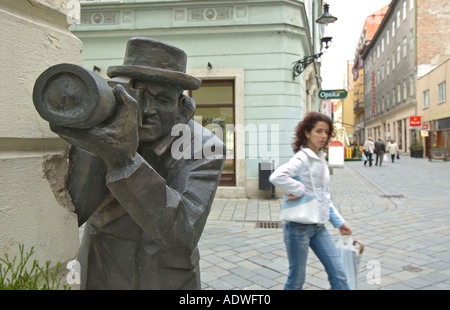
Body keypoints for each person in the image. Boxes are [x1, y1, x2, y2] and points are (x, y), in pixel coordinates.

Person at [50, 37, 226, 289]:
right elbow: (75, 211)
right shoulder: (105, 129)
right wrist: (91, 140)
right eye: (137, 95)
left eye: (162, 99)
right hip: (103, 270)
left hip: (166, 278)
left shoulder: (204, 146)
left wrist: (124, 161)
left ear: (181, 105)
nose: (146, 109)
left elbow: (183, 236)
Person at [269, 112, 352, 290]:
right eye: (319, 131)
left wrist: (339, 222)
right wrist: (300, 190)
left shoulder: (320, 158)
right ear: (307, 133)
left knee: (339, 274)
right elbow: (277, 176)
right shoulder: (302, 157)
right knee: (297, 279)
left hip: (319, 227)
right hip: (298, 227)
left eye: (326, 132)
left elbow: (323, 195)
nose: (323, 136)